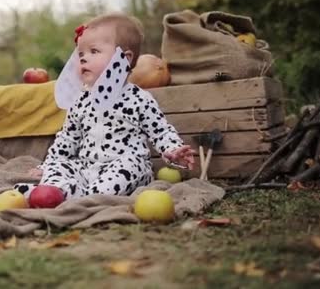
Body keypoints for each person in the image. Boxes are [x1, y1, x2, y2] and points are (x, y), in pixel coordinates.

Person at [14, 13, 194, 200]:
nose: (83, 59)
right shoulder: (80, 100)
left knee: (130, 167)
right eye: (80, 54)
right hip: (87, 167)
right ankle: (58, 191)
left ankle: (70, 196)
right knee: (58, 166)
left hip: (123, 166)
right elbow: (67, 139)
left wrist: (173, 149)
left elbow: (161, 131)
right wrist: (47, 167)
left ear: (124, 58)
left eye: (93, 51)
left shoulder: (139, 99)